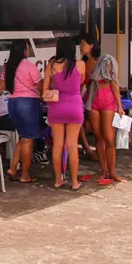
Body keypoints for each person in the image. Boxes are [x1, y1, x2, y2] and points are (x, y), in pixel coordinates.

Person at [43, 37, 85, 190]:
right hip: (75, 105)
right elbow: (80, 83)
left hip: (57, 106)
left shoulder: (51, 66)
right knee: (72, 145)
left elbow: (45, 89)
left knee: (58, 145)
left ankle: (58, 180)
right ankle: (74, 182)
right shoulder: (80, 64)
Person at [83, 37, 126, 184]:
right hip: (93, 101)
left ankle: (112, 172)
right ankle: (104, 170)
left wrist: (119, 106)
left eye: (84, 44)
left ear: (91, 46)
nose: (81, 47)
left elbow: (114, 83)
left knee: (109, 138)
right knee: (98, 137)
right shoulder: (86, 64)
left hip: (107, 101)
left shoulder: (107, 60)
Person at [1, 40, 43, 183]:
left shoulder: (7, 67)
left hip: (12, 103)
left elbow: (5, 86)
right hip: (28, 103)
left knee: (23, 138)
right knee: (28, 140)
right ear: (24, 50)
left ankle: (12, 169)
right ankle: (25, 174)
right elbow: (40, 85)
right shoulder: (30, 66)